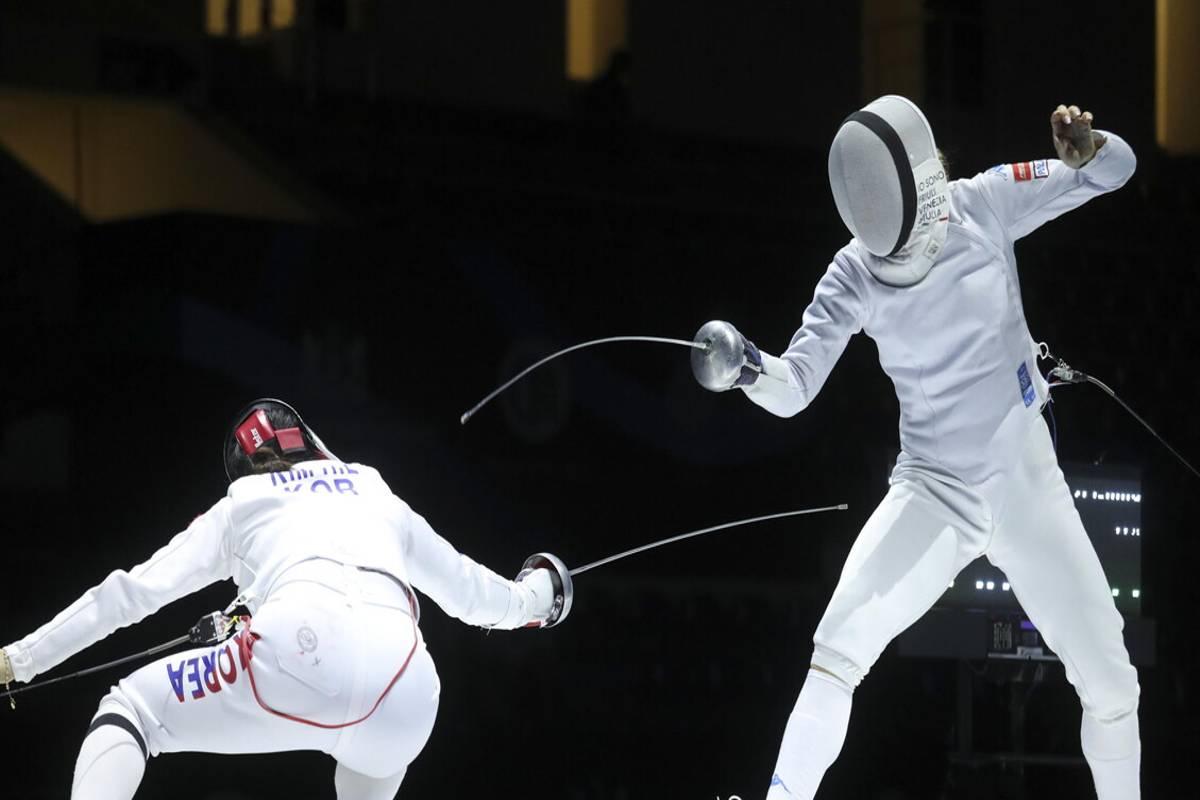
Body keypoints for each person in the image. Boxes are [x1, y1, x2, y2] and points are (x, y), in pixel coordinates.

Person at [691, 97, 1139, 799]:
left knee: (1113, 685)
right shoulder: (853, 274)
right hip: (936, 488)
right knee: (837, 647)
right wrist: (750, 366)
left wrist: (1085, 149)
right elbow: (795, 386)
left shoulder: (984, 201)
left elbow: (1116, 169)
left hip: (1025, 478)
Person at [1, 399, 571, 800]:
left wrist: (17, 661)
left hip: (299, 649)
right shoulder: (370, 485)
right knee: (373, 769)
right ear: (311, 442)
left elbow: (128, 595)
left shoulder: (245, 498)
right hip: (408, 688)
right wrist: (538, 598)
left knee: (131, 711)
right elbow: (470, 593)